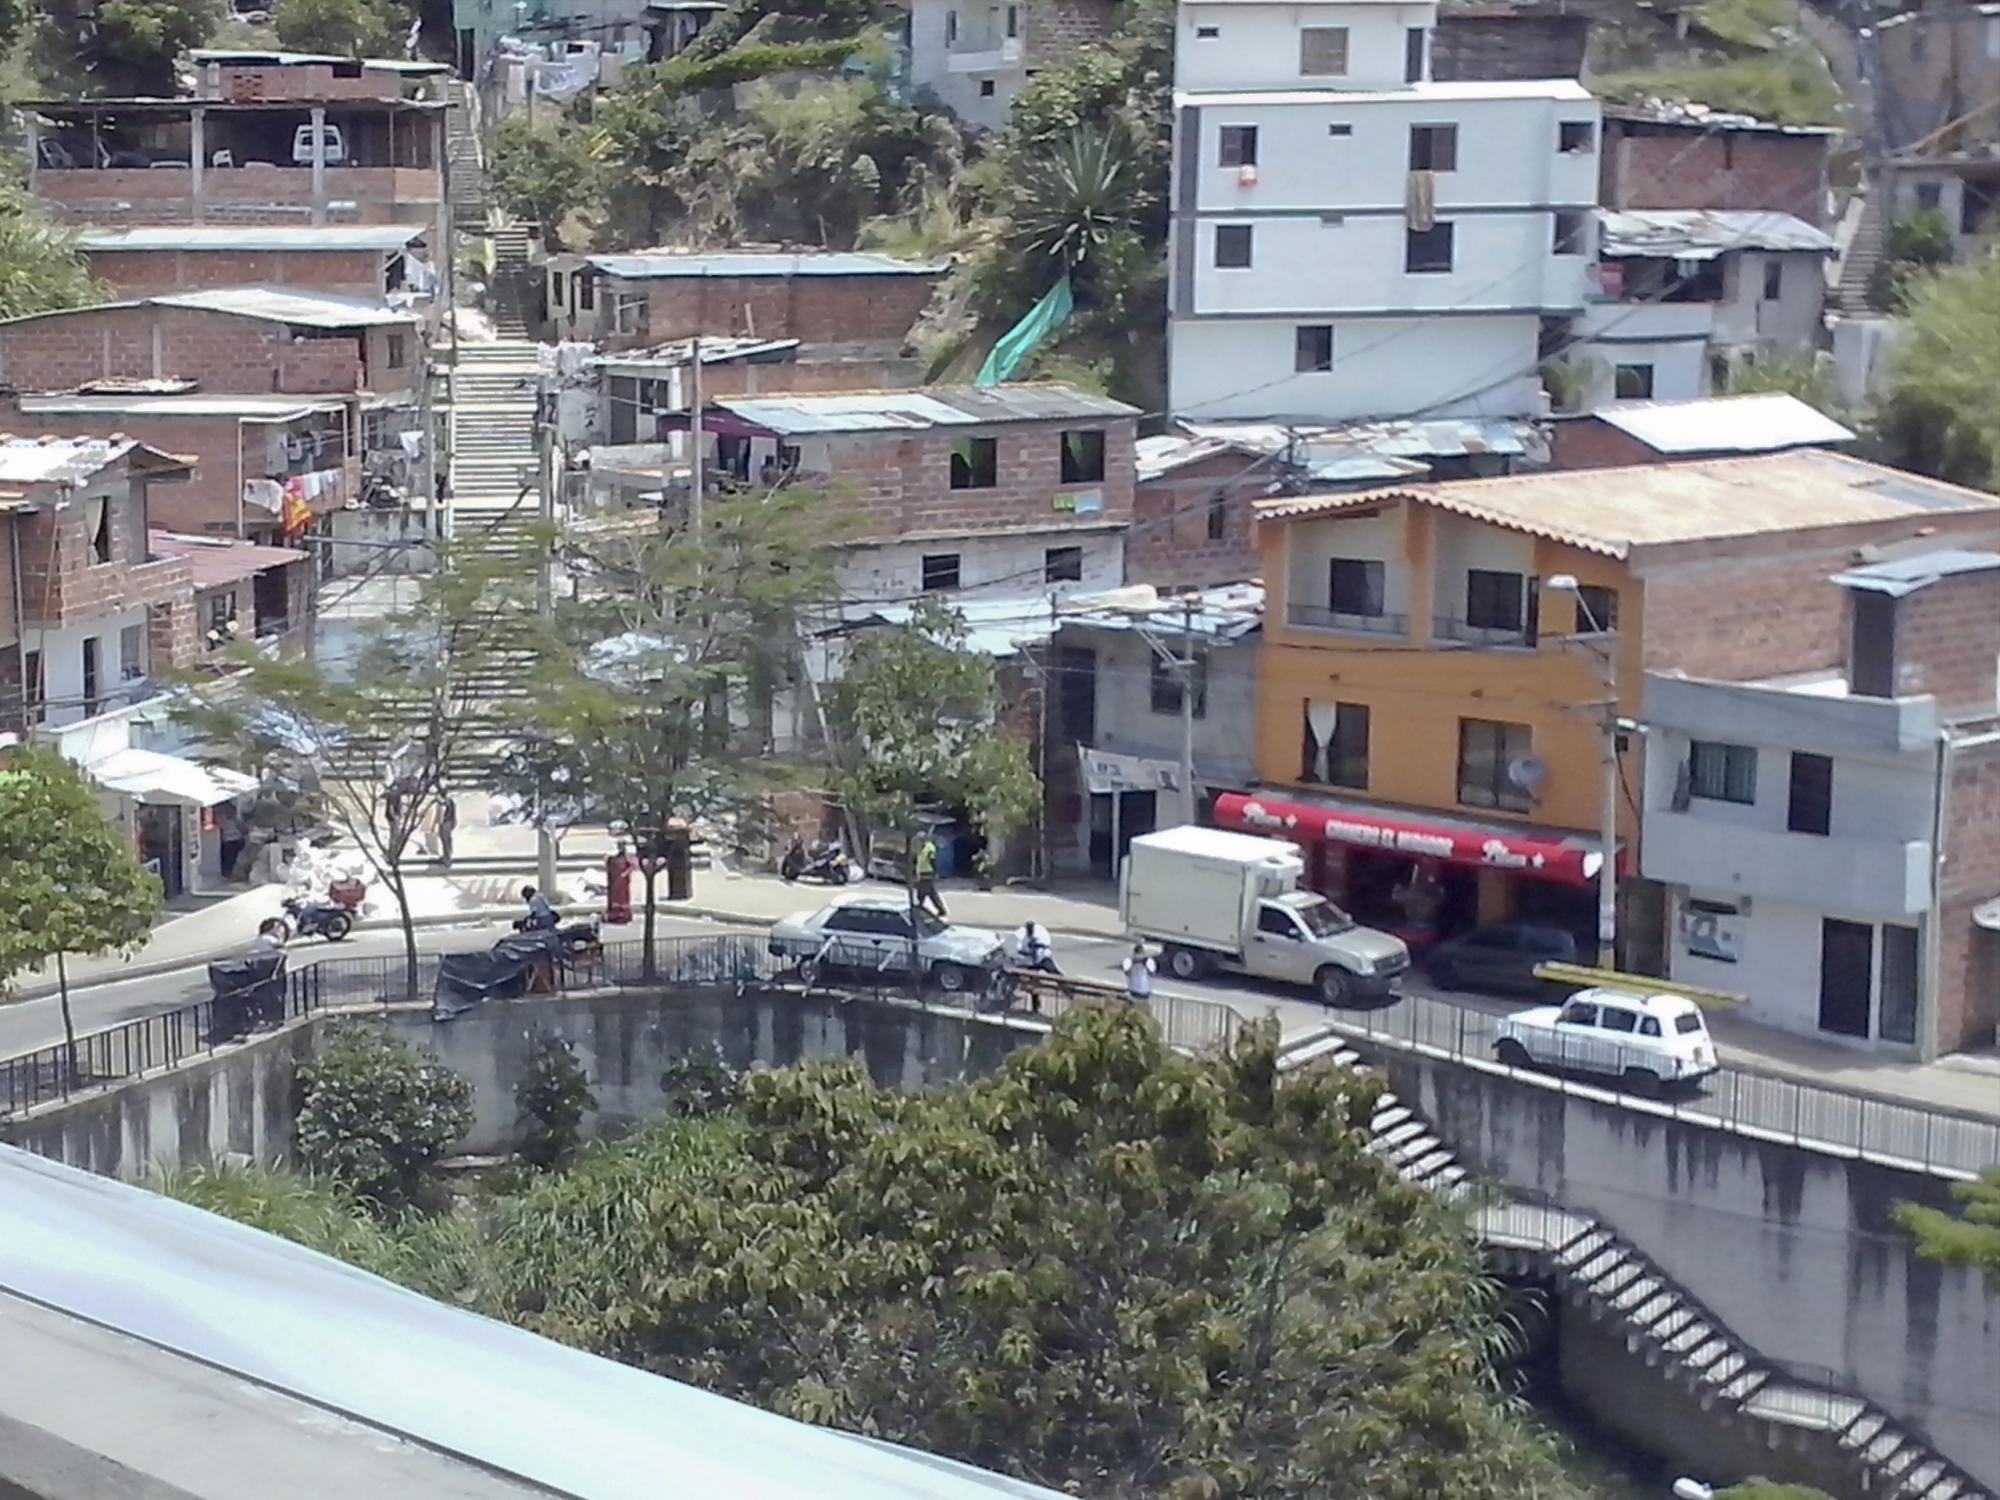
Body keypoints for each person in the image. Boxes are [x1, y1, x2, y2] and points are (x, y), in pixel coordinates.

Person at [913, 832, 947, 918]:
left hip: (928, 873)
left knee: (922, 891)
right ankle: (941, 910)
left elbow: (932, 860)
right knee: (930, 893)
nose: (918, 842)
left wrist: (935, 871)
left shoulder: (930, 847)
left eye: (919, 840)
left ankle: (919, 907)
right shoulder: (923, 848)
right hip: (923, 873)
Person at [435, 792, 458, 868]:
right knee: (445, 840)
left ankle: (448, 859)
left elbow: (447, 811)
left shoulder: (447, 802)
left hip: (446, 823)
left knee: (446, 841)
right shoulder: (448, 801)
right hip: (445, 823)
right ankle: (446, 856)